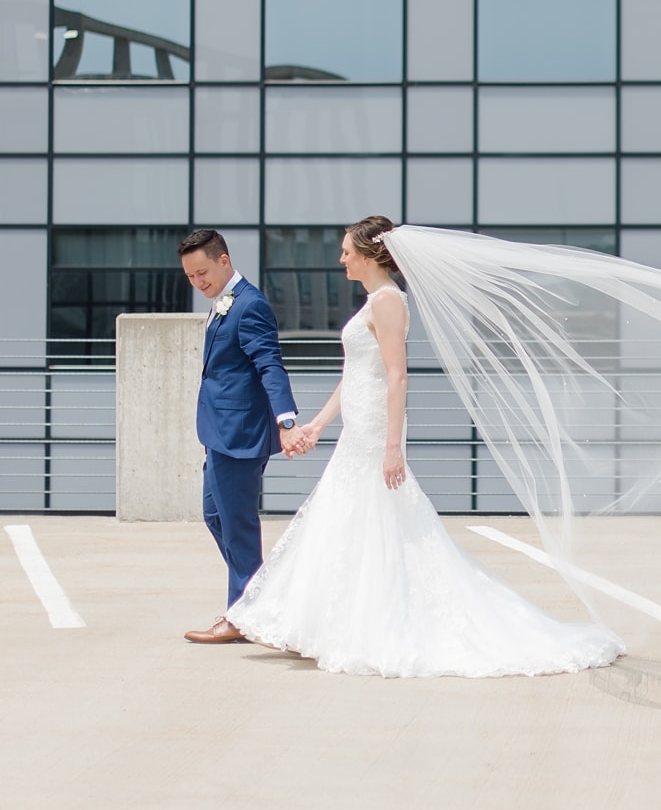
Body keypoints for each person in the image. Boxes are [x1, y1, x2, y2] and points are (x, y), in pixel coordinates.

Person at [223, 218, 625, 677]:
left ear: (371, 255)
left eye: (347, 251)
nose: (341, 259)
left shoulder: (389, 301)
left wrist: (393, 447)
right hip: (356, 433)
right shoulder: (374, 301)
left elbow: (397, 375)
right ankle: (334, 624)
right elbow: (354, 375)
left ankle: (371, 624)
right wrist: (316, 424)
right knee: (347, 523)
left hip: (376, 434)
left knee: (377, 521)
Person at [176, 228, 299, 645]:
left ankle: (243, 616)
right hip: (218, 431)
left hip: (240, 433)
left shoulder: (250, 305)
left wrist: (286, 420)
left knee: (238, 525)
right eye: (190, 276)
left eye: (203, 272)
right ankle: (255, 602)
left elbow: (270, 364)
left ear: (224, 260)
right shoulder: (222, 302)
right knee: (215, 517)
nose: (198, 282)